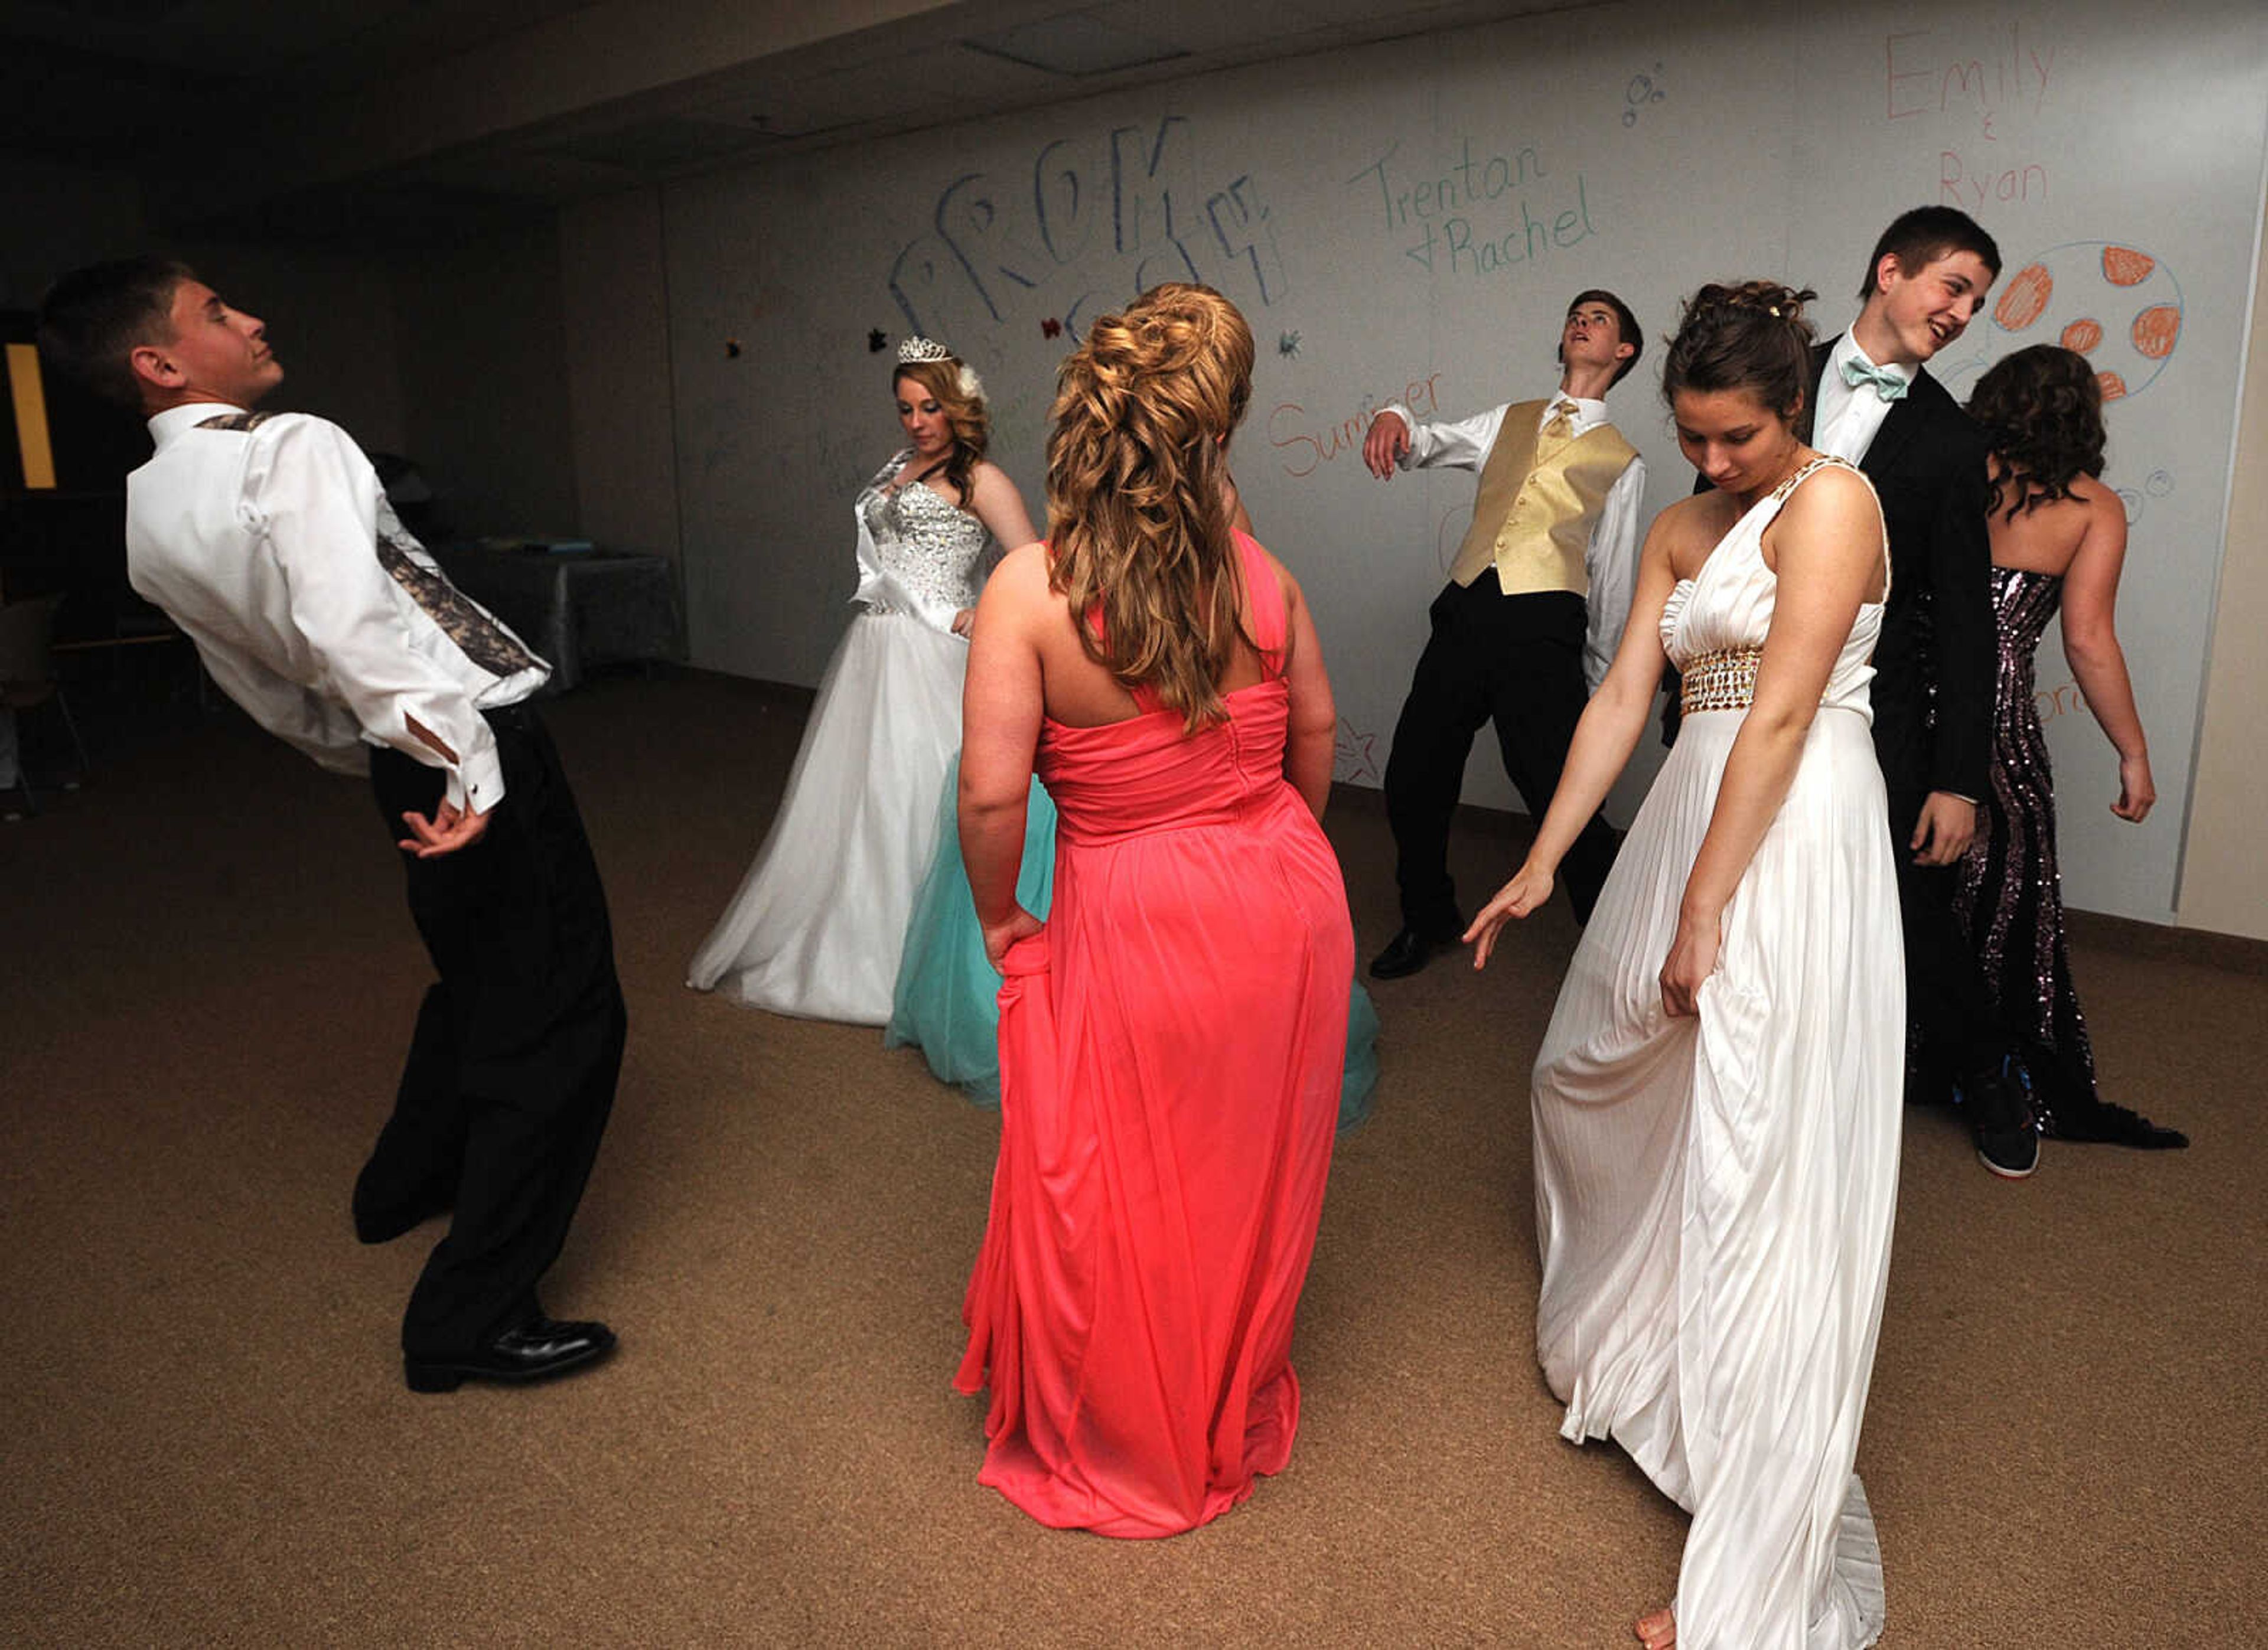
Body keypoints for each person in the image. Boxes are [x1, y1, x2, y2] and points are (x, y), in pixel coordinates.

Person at [37, 258, 624, 1393]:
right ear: (157, 363)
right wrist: (468, 771)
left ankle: (402, 1180)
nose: (253, 318)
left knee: (476, 976)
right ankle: (470, 1316)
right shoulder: (291, 445)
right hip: (465, 754)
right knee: (562, 1022)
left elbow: (254, 675)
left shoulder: (145, 514)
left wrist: (366, 754)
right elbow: (354, 626)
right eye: (216, 312)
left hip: (399, 758)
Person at [1468, 282, 1901, 1648]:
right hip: (1678, 821)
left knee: (1755, 1148)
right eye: (1693, 439)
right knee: (1580, 1072)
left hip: (1786, 829)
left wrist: (1707, 909)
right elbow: (1617, 700)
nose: (1712, 465)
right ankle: (1650, 1344)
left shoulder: (1830, 504)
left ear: (1790, 408)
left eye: (1735, 440)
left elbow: (1778, 713)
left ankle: (1755, 1571)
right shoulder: (1672, 524)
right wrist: (1544, 860)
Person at [952, 283, 1351, 1537]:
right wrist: (1279, 852)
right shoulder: (1265, 572)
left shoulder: (1032, 588)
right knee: (1246, 1162)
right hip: (1281, 894)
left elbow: (988, 796)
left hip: (1136, 903)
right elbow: (1320, 734)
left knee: (1122, 1172)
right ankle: (1223, 1384)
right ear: (1213, 434)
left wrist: (1000, 917)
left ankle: (1134, 1420)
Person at [686, 338, 1037, 1022]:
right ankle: (849, 940)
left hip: (936, 654)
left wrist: (984, 606)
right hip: (874, 649)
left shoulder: (981, 480)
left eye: (930, 406)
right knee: (858, 798)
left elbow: (1034, 563)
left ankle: (933, 951)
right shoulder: (899, 469)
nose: (915, 421)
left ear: (958, 404)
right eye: (905, 408)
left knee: (923, 792)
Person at [1805, 206, 2040, 1176]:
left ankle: (1986, 1072)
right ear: (1890, 269)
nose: (1961, 312)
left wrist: (1958, 779)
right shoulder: (1774, 369)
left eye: (1976, 303)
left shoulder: (1952, 438)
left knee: (1898, 902)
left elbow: (1964, 623)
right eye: (1952, 287)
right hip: (1735, 692)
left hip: (1871, 709)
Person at [1360, 289, 1647, 977]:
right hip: (1465, 609)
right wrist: (1395, 413)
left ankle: (1618, 950)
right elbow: (1425, 444)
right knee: (1412, 775)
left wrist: (1602, 684)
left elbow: (1612, 581)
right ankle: (1428, 917)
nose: (1582, 321)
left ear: (1624, 351)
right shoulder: (1509, 419)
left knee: (1559, 790)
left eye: (1600, 318)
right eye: (1576, 314)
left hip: (1545, 630)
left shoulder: (1625, 462)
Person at [1957, 347, 2186, 1149]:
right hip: (1994, 714)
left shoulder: (1956, 471)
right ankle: (2009, 1080)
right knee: (2012, 887)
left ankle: (1915, 1057)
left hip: (1908, 692)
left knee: (1908, 874)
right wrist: (2134, 752)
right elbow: (2088, 641)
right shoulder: (2093, 506)